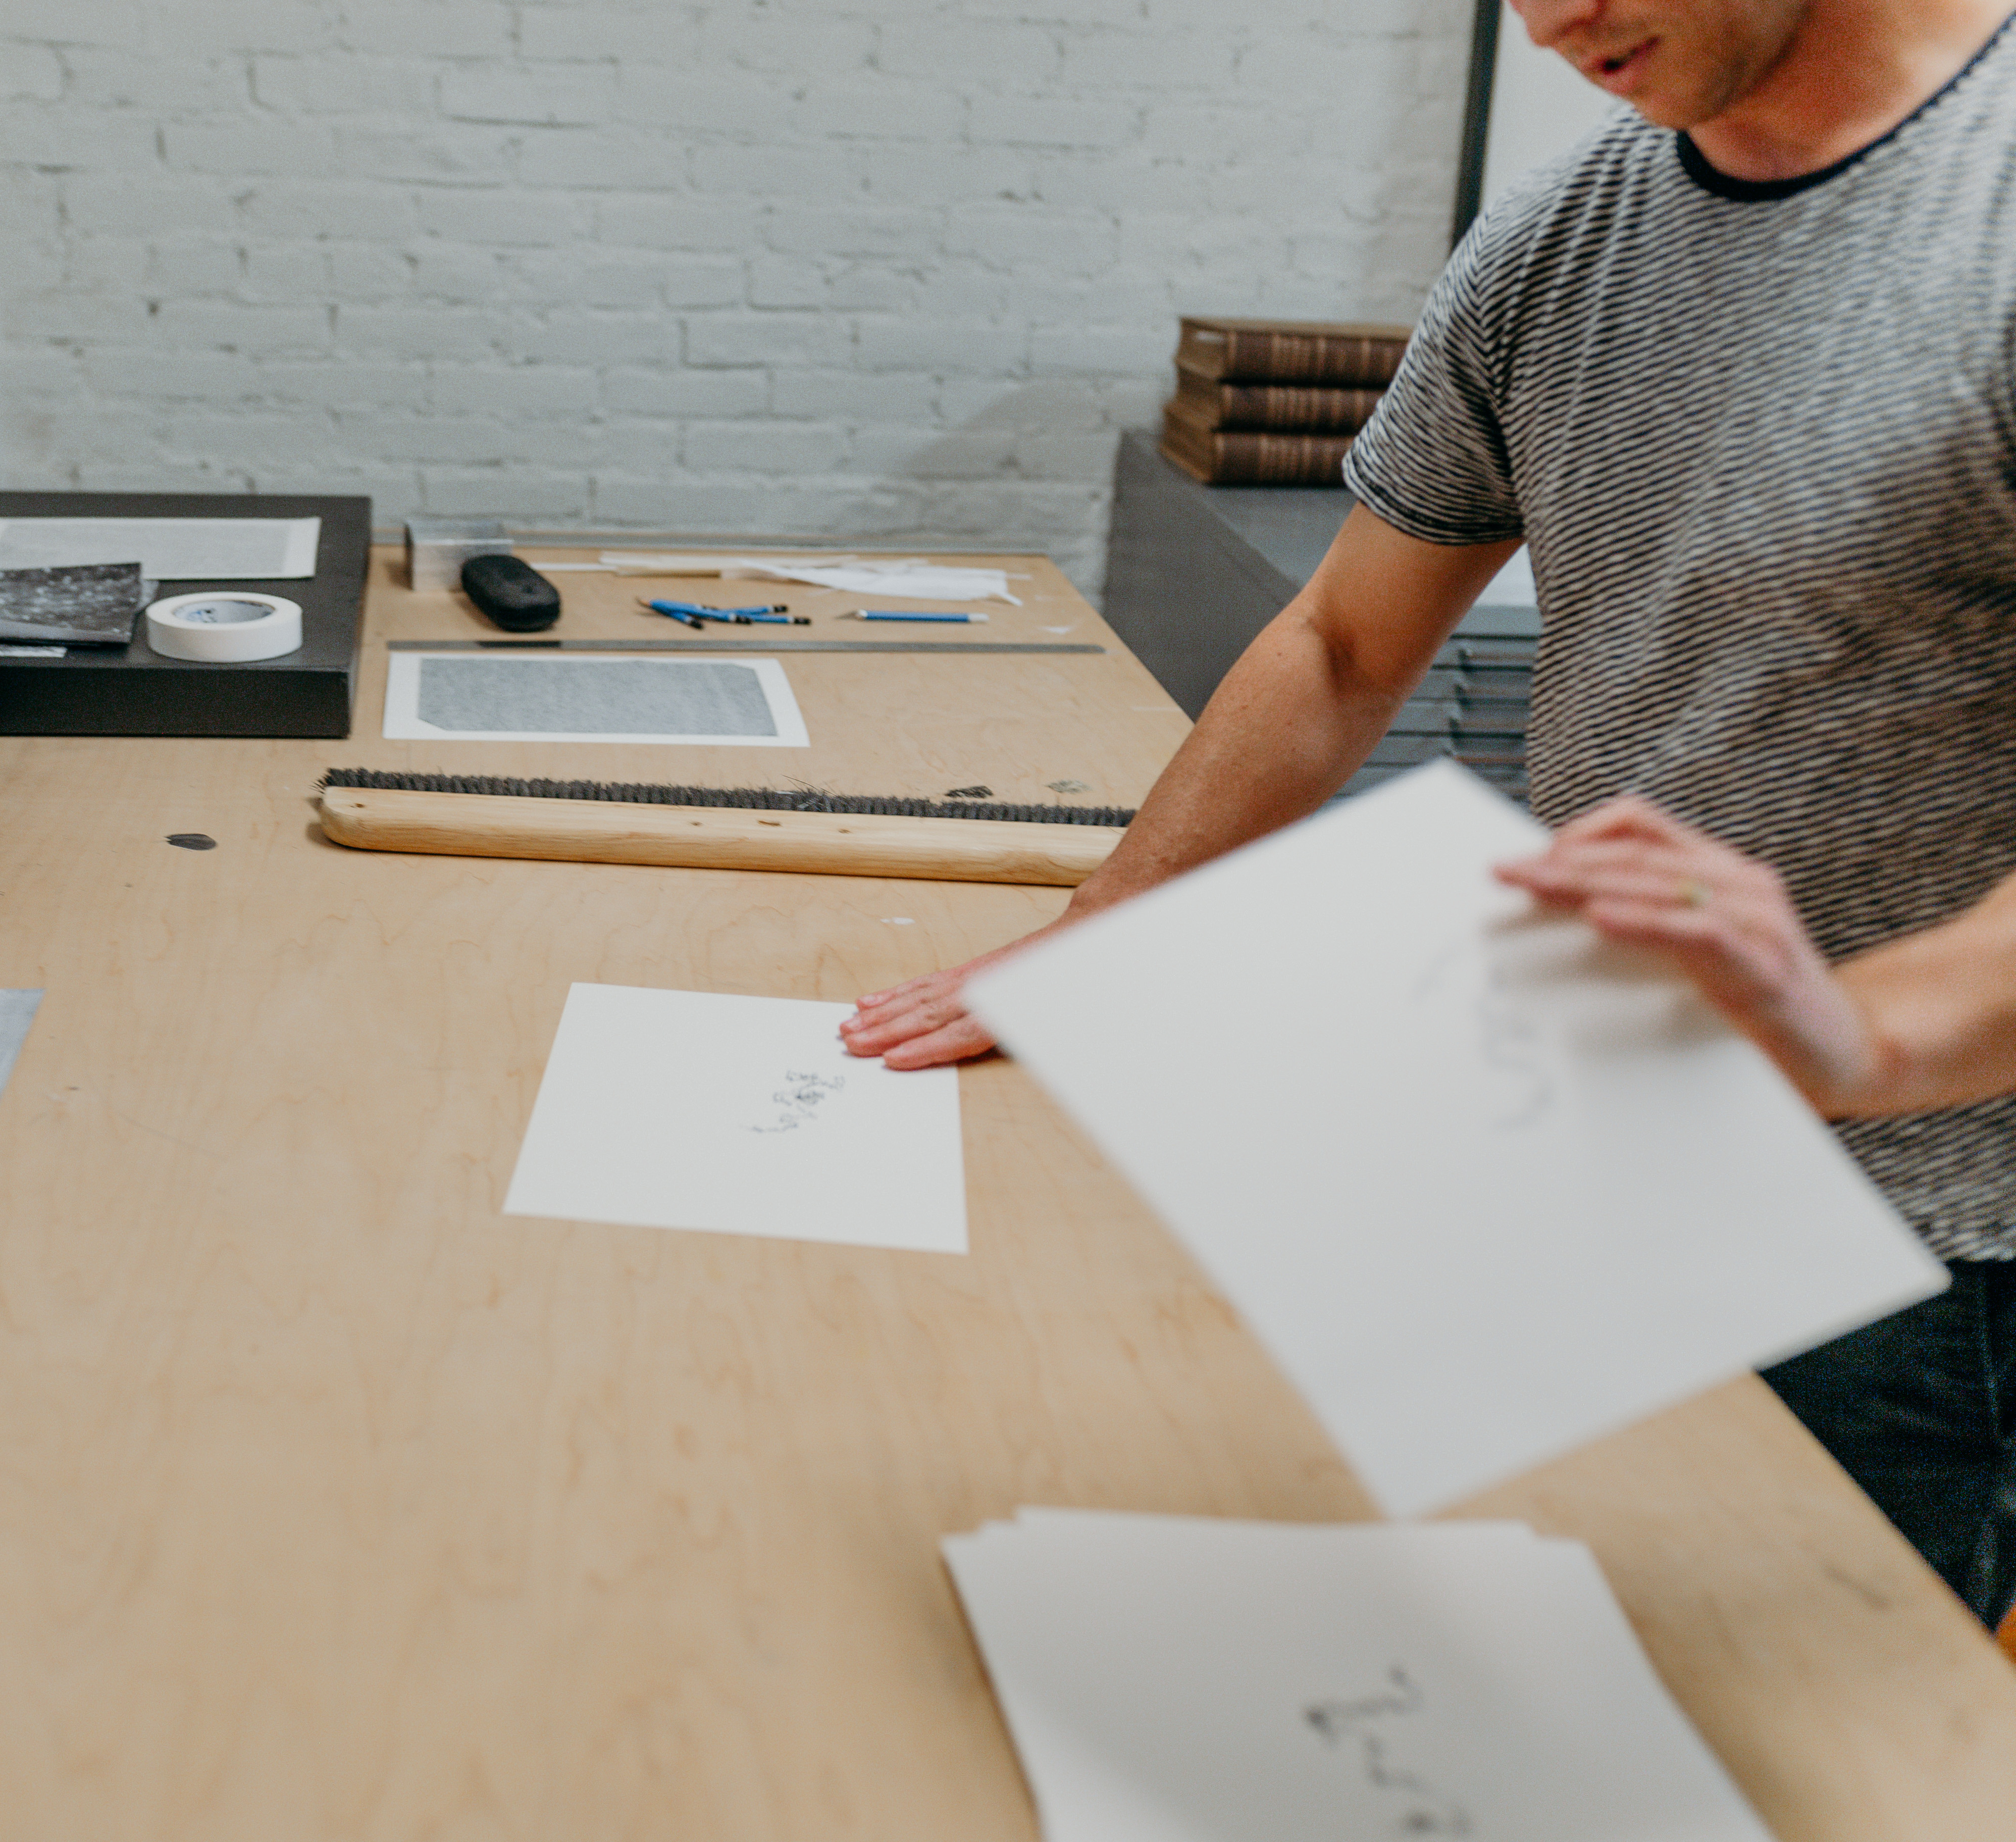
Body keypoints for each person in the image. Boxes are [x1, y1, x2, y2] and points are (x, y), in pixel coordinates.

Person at [844, 0, 2016, 1626]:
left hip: (1913, 1244)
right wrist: (1091, 939)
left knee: (1813, 1767)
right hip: (1584, 1136)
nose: (1550, 18)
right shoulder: (1563, 237)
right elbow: (1340, 645)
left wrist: (1858, 1038)